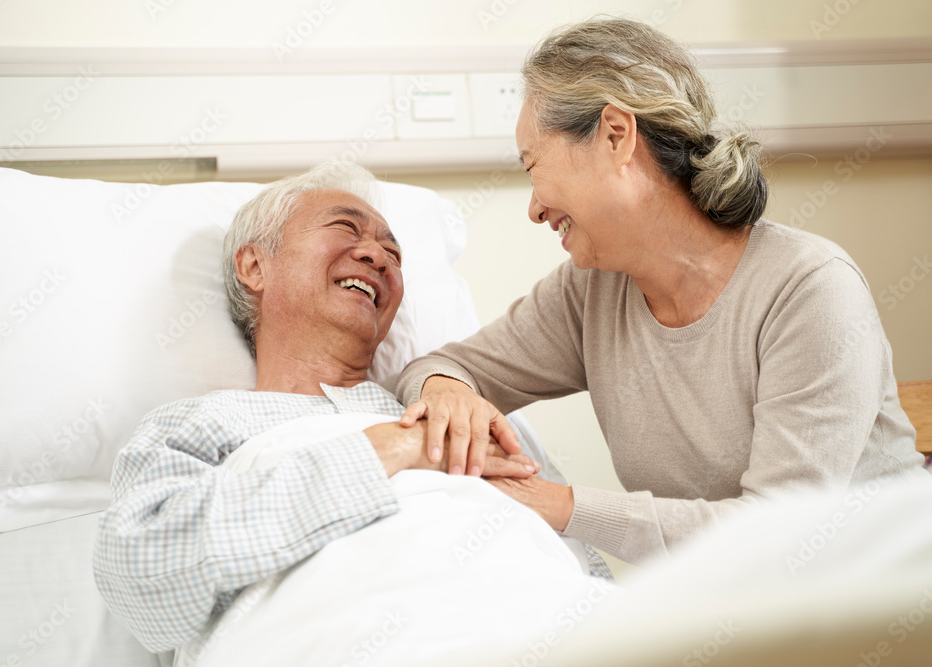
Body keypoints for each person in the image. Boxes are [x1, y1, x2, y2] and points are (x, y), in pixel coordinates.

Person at [395, 18, 927, 565]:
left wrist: (555, 504)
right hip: (725, 613)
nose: (534, 208)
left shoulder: (809, 290)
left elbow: (777, 534)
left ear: (615, 136)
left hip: (880, 604)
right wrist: (446, 393)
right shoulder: (591, 294)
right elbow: (441, 367)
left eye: (534, 165)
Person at [92, 162, 542, 652]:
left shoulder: (456, 411)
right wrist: (392, 448)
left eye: (393, 253)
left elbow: (560, 539)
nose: (378, 257)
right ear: (254, 266)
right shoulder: (196, 425)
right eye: (345, 228)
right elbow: (141, 578)